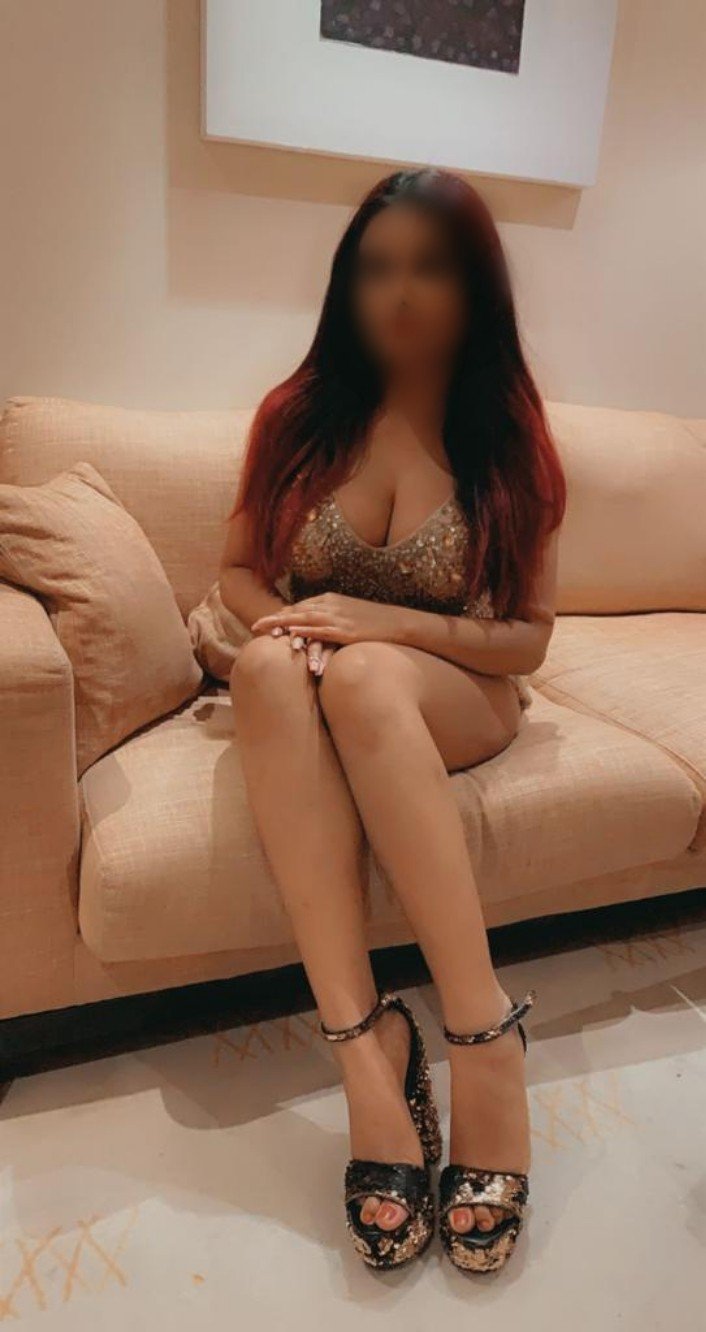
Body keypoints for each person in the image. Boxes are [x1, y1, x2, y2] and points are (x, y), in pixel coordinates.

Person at [218, 167, 565, 1274]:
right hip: (314, 682)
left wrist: (378, 625)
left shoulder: (506, 432)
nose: (400, 294)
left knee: (364, 678)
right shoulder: (297, 414)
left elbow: (528, 638)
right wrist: (294, 629)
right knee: (267, 669)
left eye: (430, 268)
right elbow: (235, 573)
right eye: (376, 268)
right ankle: (367, 1054)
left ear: (476, 287)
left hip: (454, 689)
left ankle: (483, 1039)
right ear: (346, 284)